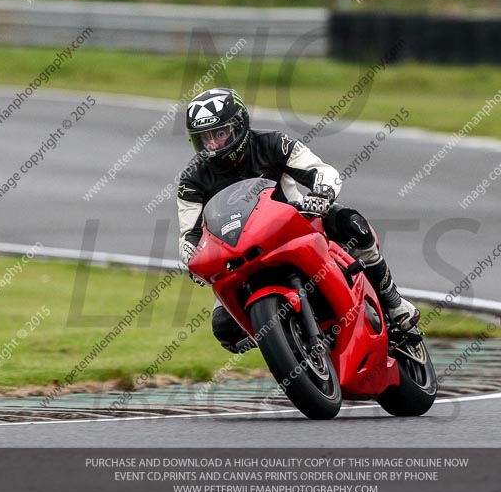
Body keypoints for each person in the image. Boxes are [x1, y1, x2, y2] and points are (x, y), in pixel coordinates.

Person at [176, 87, 420, 353]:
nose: (213, 145)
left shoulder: (273, 143)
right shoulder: (191, 179)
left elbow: (320, 170)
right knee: (225, 329)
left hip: (294, 224)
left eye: (220, 134)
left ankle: (393, 302)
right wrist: (193, 260)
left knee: (352, 224)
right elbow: (189, 234)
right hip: (240, 253)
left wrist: (322, 194)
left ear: (239, 126)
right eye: (204, 139)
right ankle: (287, 344)